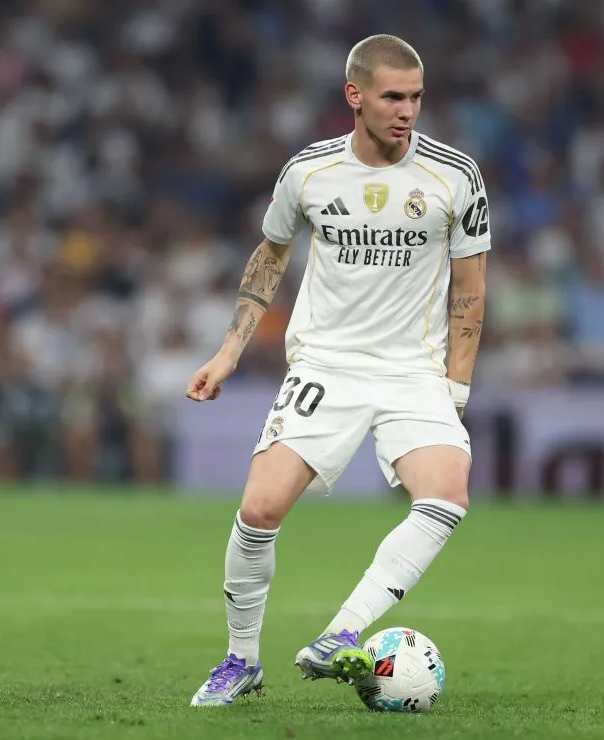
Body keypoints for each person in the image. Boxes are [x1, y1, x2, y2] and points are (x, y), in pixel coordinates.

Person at [185, 34, 490, 707]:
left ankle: (341, 632)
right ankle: (240, 661)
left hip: (413, 368)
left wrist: (456, 389)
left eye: (415, 97)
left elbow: (470, 288)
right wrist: (228, 353)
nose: (406, 110)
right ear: (355, 96)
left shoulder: (455, 175)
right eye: (392, 97)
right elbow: (269, 259)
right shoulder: (309, 173)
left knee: (447, 494)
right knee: (260, 509)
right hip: (327, 363)